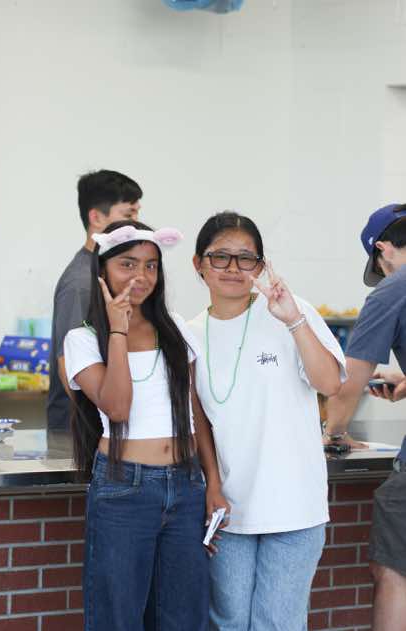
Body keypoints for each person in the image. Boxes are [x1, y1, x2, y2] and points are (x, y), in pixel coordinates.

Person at [63, 219, 228, 631]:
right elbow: (117, 408)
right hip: (124, 487)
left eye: (151, 265)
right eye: (128, 264)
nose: (141, 275)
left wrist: (213, 482)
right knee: (118, 616)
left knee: (184, 617)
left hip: (186, 485)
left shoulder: (174, 327)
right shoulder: (83, 338)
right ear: (102, 270)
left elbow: (194, 412)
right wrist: (118, 329)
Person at [187, 211, 345, 631]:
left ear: (260, 265)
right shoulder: (189, 333)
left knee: (277, 623)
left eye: (246, 258)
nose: (233, 268)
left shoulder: (291, 312)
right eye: (220, 256)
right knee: (229, 622)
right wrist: (213, 486)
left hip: (295, 506)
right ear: (198, 264)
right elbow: (200, 419)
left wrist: (293, 320)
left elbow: (330, 383)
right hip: (230, 511)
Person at [324, 203, 406, 631]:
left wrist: (333, 431)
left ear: (382, 249)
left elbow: (349, 381)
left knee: (394, 569)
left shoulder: (393, 289)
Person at [47, 169, 142, 431]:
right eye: (129, 214)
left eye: (137, 213)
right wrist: (105, 426)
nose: (136, 224)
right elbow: (67, 365)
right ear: (96, 218)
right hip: (83, 433)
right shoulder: (81, 282)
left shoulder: (105, 269)